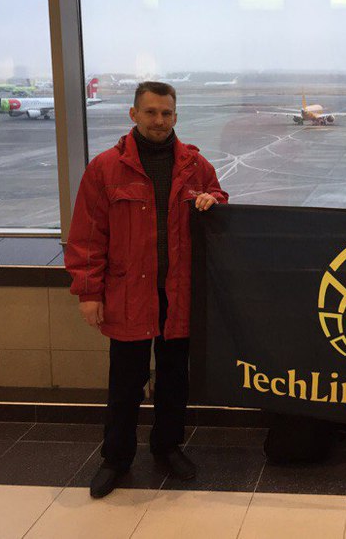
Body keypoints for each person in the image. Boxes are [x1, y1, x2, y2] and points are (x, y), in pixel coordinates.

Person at [65, 81, 228, 499]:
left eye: (166, 113)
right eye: (151, 112)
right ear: (133, 114)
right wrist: (89, 293)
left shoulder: (195, 166)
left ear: (176, 116)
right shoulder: (105, 168)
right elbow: (87, 235)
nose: (159, 120)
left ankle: (167, 447)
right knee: (126, 382)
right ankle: (115, 458)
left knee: (174, 380)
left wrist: (213, 200)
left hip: (178, 296)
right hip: (128, 296)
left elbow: (220, 201)